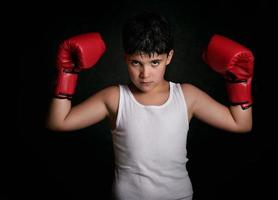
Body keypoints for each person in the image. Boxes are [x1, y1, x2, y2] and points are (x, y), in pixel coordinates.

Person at [46, 11, 254, 200]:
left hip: (178, 196)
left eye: (154, 62)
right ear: (126, 58)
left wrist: (238, 81)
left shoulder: (187, 96)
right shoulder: (115, 98)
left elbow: (240, 124)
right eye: (136, 63)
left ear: (169, 57)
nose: (145, 74)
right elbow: (58, 122)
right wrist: (68, 74)